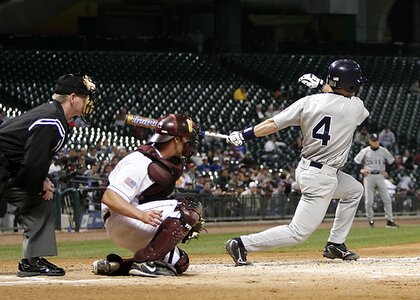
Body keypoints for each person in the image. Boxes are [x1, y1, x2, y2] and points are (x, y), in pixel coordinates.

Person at [224, 59, 369, 265]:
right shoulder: (355, 107)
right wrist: (321, 84)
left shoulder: (307, 102)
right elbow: (339, 95)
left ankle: (335, 244)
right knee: (298, 233)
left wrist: (243, 135)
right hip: (321, 178)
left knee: (354, 190)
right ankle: (241, 243)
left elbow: (272, 124)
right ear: (353, 85)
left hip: (308, 169)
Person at [0, 73, 99, 277]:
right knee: (39, 195)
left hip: (8, 168)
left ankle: (32, 261)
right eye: (85, 96)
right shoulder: (51, 119)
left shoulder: (53, 116)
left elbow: (29, 155)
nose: (89, 101)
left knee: (39, 201)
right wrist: (39, 183)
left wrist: (42, 180)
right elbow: (33, 162)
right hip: (4, 166)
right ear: (73, 97)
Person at [91, 114, 204, 277]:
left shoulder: (164, 160)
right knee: (190, 207)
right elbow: (110, 197)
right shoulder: (140, 161)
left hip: (133, 223)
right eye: (188, 138)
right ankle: (146, 262)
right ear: (176, 139)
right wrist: (141, 215)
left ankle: (118, 266)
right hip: (123, 219)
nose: (191, 143)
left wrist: (184, 227)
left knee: (180, 262)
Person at [353, 134, 399, 228]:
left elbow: (391, 162)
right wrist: (361, 170)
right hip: (368, 176)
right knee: (369, 201)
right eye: (374, 140)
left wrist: (387, 172)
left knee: (387, 199)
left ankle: (389, 221)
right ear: (370, 141)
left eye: (377, 140)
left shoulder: (383, 150)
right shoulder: (365, 151)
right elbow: (356, 162)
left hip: (380, 176)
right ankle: (370, 220)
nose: (376, 142)